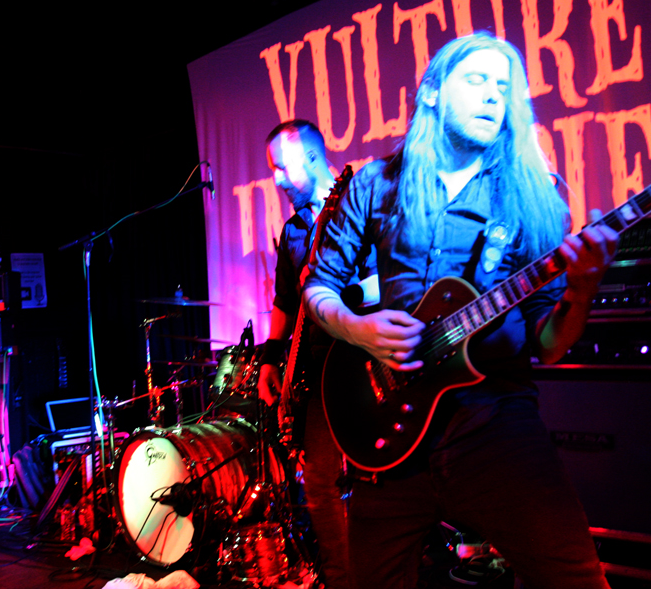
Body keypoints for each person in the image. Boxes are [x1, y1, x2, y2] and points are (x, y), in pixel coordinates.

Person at [303, 33, 618, 588]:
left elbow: (548, 345)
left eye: (503, 86)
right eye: (476, 80)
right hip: (389, 434)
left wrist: (582, 290)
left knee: (575, 578)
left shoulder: (534, 197)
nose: (494, 94)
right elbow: (319, 285)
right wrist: (356, 329)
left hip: (495, 425)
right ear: (431, 92)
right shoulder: (376, 183)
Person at [256, 120, 375, 589]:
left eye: (282, 168)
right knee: (320, 483)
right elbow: (285, 302)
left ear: (311, 157)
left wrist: (339, 291)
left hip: (366, 363)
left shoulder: (360, 204)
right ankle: (342, 579)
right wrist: (270, 360)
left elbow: (388, 280)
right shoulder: (293, 230)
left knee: (374, 479)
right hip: (317, 372)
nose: (277, 179)